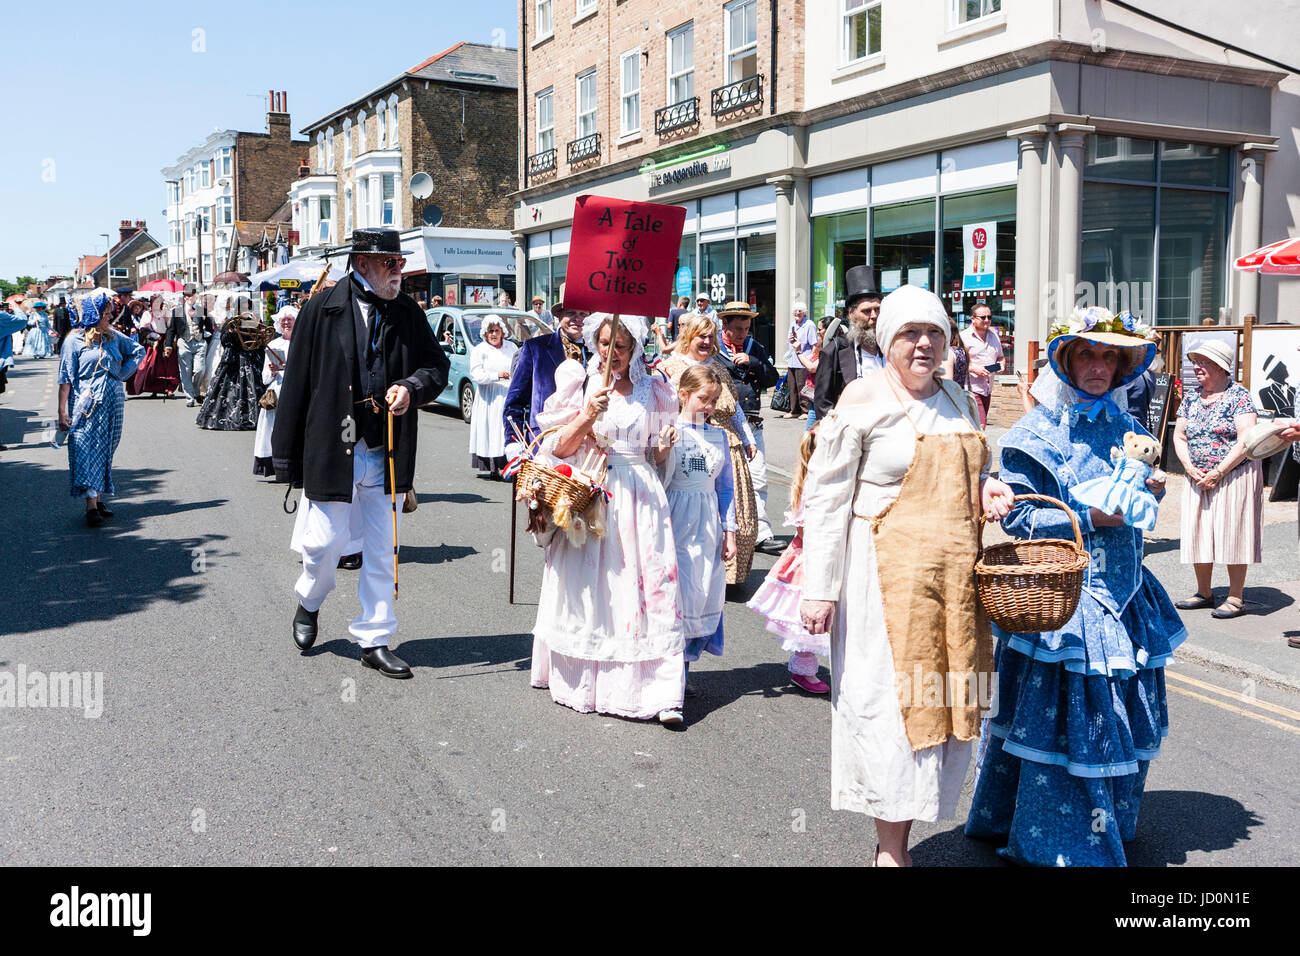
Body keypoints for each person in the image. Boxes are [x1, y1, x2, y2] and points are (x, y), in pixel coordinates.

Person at [800, 284, 1015, 866]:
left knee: (944, 705)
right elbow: (824, 500)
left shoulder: (959, 401)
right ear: (888, 340)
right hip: (882, 586)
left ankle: (910, 829)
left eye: (934, 334)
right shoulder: (861, 399)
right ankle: (890, 851)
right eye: (910, 334)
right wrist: (819, 590)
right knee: (891, 712)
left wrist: (987, 488)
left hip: (953, 584)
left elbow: (973, 472)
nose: (924, 345)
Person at [964, 307, 1185, 867]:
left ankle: (1109, 819)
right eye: (1087, 353)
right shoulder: (1036, 433)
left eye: (1109, 356)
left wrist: (1151, 494)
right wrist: (1089, 519)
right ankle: (1061, 842)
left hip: (1128, 592)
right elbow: (1015, 519)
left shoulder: (1132, 429)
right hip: (1067, 597)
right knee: (1071, 720)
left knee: (1122, 712)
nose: (1098, 366)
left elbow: (1139, 499)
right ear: (1065, 361)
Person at [273, 228, 449, 679]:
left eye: (400, 262)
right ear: (363, 262)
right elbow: (296, 383)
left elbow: (436, 367)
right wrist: (285, 459)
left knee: (381, 550)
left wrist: (411, 388)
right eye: (390, 263)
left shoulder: (408, 311)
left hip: (386, 448)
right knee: (325, 542)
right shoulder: (321, 308)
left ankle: (374, 637)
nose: (399, 270)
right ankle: (309, 600)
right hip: (334, 445)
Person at [526, 314, 686, 724]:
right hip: (593, 494)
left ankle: (660, 690)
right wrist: (586, 416)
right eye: (604, 343)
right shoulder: (579, 384)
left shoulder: (655, 390)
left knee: (647, 586)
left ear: (634, 348)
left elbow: (655, 454)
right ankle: (585, 679)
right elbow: (559, 448)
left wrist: (663, 449)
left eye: (621, 345)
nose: (611, 353)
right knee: (597, 590)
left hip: (641, 496)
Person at [662, 314, 759, 587]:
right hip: (688, 444)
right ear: (688, 337)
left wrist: (747, 437)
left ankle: (726, 575)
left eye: (710, 336)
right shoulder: (670, 367)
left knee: (738, 515)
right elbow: (664, 407)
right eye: (701, 336)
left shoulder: (719, 367)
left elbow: (735, 407)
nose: (706, 341)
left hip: (725, 444)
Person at [1171, 338, 1261, 619]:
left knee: (1233, 533)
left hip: (1233, 474)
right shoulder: (1192, 397)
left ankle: (1236, 597)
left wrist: (1219, 471)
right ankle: (1204, 592)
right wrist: (1188, 466)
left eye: (1205, 362)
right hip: (1198, 476)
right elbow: (1179, 435)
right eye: (1196, 362)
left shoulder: (1239, 396)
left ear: (1222, 367)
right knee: (1199, 532)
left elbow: (1246, 439)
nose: (1197, 367)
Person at [663, 363, 737, 683]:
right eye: (703, 399)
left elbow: (725, 488)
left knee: (700, 590)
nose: (708, 407)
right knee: (676, 592)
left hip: (706, 523)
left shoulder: (719, 437)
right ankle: (669, 673)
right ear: (683, 395)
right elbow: (659, 479)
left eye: (713, 400)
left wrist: (729, 531)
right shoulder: (669, 431)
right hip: (677, 518)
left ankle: (684, 669)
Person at [748, 430, 831, 694]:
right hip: (814, 560)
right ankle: (803, 669)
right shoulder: (814, 487)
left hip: (833, 558)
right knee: (807, 625)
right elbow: (807, 532)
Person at [56, 291, 146, 526]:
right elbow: (65, 378)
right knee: (86, 449)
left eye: (109, 313)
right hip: (86, 405)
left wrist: (122, 374)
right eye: (105, 313)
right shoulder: (73, 341)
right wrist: (61, 411)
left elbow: (138, 351)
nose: (110, 316)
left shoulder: (113, 337)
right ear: (91, 314)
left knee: (106, 449)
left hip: (113, 401)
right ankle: (91, 505)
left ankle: (96, 496)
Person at [716, 301, 782, 553]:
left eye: (746, 328)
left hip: (753, 422)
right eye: (738, 329)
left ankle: (761, 534)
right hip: (724, 424)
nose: (743, 333)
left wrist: (753, 362)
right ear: (725, 325)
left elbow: (772, 377)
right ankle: (728, 531)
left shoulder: (756, 348)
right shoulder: (713, 349)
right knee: (725, 482)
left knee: (758, 480)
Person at [503, 286, 590, 439]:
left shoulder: (597, 353)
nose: (577, 319)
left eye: (583, 314)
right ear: (559, 315)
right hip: (544, 440)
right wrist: (513, 440)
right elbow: (514, 403)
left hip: (586, 442)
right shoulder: (535, 348)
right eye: (571, 313)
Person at [814, 265, 883, 421]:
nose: (874, 316)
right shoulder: (834, 351)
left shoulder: (891, 348)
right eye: (866, 311)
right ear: (851, 315)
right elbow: (823, 403)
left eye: (877, 309)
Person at [195, 306, 266, 430]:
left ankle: (253, 418)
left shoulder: (254, 322)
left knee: (252, 387)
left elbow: (260, 342)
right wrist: (231, 333)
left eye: (248, 307)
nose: (246, 310)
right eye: (243, 307)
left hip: (251, 360)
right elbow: (224, 341)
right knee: (228, 389)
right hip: (234, 361)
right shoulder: (230, 322)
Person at [468, 314, 519, 477]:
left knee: (505, 428)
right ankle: (493, 467)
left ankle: (510, 463)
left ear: (502, 332)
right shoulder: (479, 350)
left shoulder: (511, 348)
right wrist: (497, 375)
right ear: (485, 333)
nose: (494, 334)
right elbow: (477, 374)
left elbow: (518, 366)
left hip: (507, 394)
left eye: (497, 330)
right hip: (488, 398)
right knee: (491, 430)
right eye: (490, 331)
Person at [253, 306, 295, 479]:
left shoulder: (302, 343)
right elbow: (264, 379)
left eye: (289, 320)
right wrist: (272, 371)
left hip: (294, 391)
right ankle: (276, 465)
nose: (286, 323)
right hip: (276, 393)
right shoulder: (273, 345)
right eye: (283, 320)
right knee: (273, 429)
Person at [960, 300, 1003, 427]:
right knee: (981, 424)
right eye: (983, 317)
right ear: (973, 319)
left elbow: (1000, 357)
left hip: (987, 389)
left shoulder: (994, 335)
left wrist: (1001, 365)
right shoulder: (964, 337)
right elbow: (958, 362)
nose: (986, 320)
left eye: (989, 317)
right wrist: (974, 369)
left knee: (975, 426)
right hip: (972, 388)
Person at [127, 294, 180, 397]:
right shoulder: (147, 314)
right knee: (149, 367)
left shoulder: (165, 313)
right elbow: (143, 329)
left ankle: (169, 389)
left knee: (169, 367)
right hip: (153, 342)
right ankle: (154, 389)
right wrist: (153, 335)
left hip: (165, 342)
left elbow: (170, 327)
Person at [175, 285, 211, 407]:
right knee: (185, 371)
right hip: (184, 341)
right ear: (185, 298)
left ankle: (196, 389)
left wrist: (208, 338)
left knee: (200, 369)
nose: (191, 298)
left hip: (199, 341)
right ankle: (189, 397)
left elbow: (209, 325)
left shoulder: (200, 309)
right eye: (189, 295)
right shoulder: (178, 310)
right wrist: (168, 345)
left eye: (193, 295)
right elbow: (171, 329)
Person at [785, 302, 817, 419]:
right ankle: (794, 410)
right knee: (792, 386)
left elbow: (814, 344)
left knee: (802, 386)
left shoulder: (809, 325)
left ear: (804, 312)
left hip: (804, 359)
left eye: (800, 311)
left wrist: (812, 358)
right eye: (796, 311)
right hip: (792, 359)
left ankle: (805, 411)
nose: (797, 313)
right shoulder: (793, 324)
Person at [939, 316, 967, 388]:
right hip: (958, 395)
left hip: (949, 397)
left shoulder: (948, 354)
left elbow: (947, 384)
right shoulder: (960, 350)